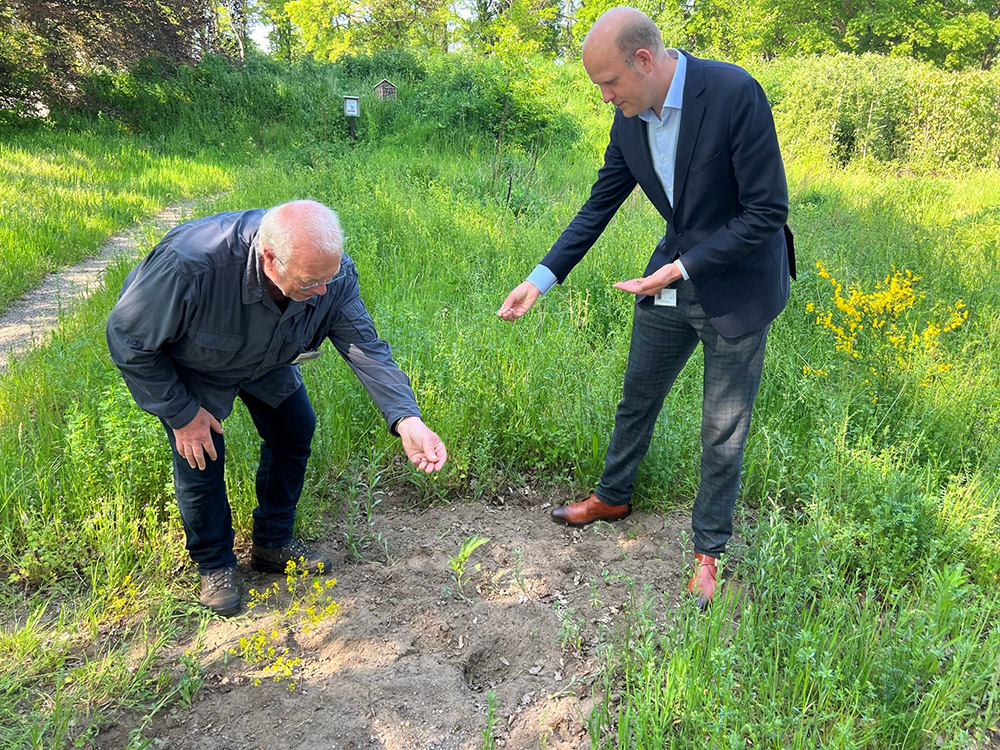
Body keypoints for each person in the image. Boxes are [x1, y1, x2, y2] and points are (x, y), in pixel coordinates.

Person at [497, 7, 794, 607]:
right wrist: (541, 278)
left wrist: (682, 269)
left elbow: (767, 213)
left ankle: (708, 551)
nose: (605, 97)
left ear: (644, 60)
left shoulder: (734, 93)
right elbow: (599, 203)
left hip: (738, 288)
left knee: (722, 430)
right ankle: (613, 495)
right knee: (638, 393)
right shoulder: (629, 119)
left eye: (609, 83)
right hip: (672, 274)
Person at [108, 200, 447, 616]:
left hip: (268, 355)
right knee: (201, 452)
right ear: (269, 258)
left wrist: (407, 419)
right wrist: (181, 413)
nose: (321, 292)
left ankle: (273, 543)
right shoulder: (190, 264)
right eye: (309, 284)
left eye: (328, 278)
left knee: (294, 428)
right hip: (197, 362)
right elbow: (128, 340)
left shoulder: (327, 275)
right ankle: (214, 564)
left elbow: (367, 349)